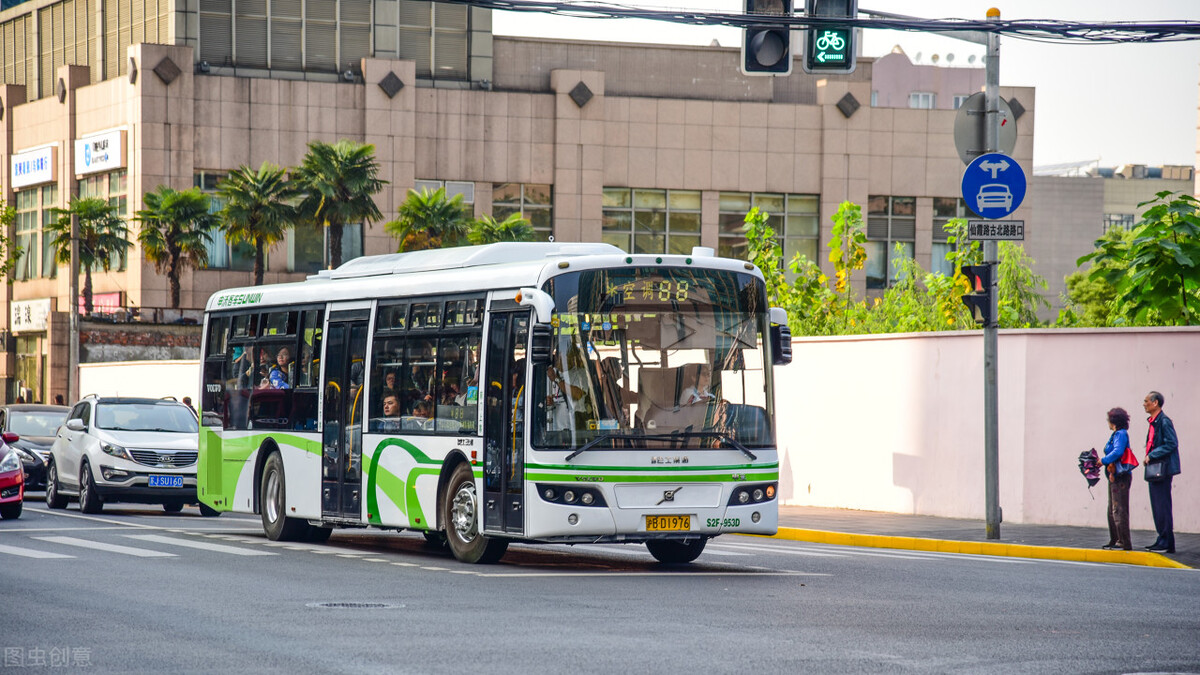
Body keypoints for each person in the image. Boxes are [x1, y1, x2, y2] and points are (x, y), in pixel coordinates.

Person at [1142, 391, 1181, 553]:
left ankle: (1166, 541)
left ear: (1155, 402)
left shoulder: (1164, 422)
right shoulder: (1154, 422)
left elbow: (1172, 443)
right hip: (1156, 469)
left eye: (1146, 401)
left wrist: (1152, 454)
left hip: (1162, 470)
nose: (1144, 404)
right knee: (1157, 506)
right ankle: (1162, 539)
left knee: (1162, 505)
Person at [1099, 407, 1137, 551]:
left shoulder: (1121, 434)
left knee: (1119, 509)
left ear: (1113, 421)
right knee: (1112, 509)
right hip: (1114, 475)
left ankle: (1123, 542)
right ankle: (1115, 539)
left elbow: (1118, 452)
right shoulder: (1116, 434)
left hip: (1120, 477)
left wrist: (1103, 460)